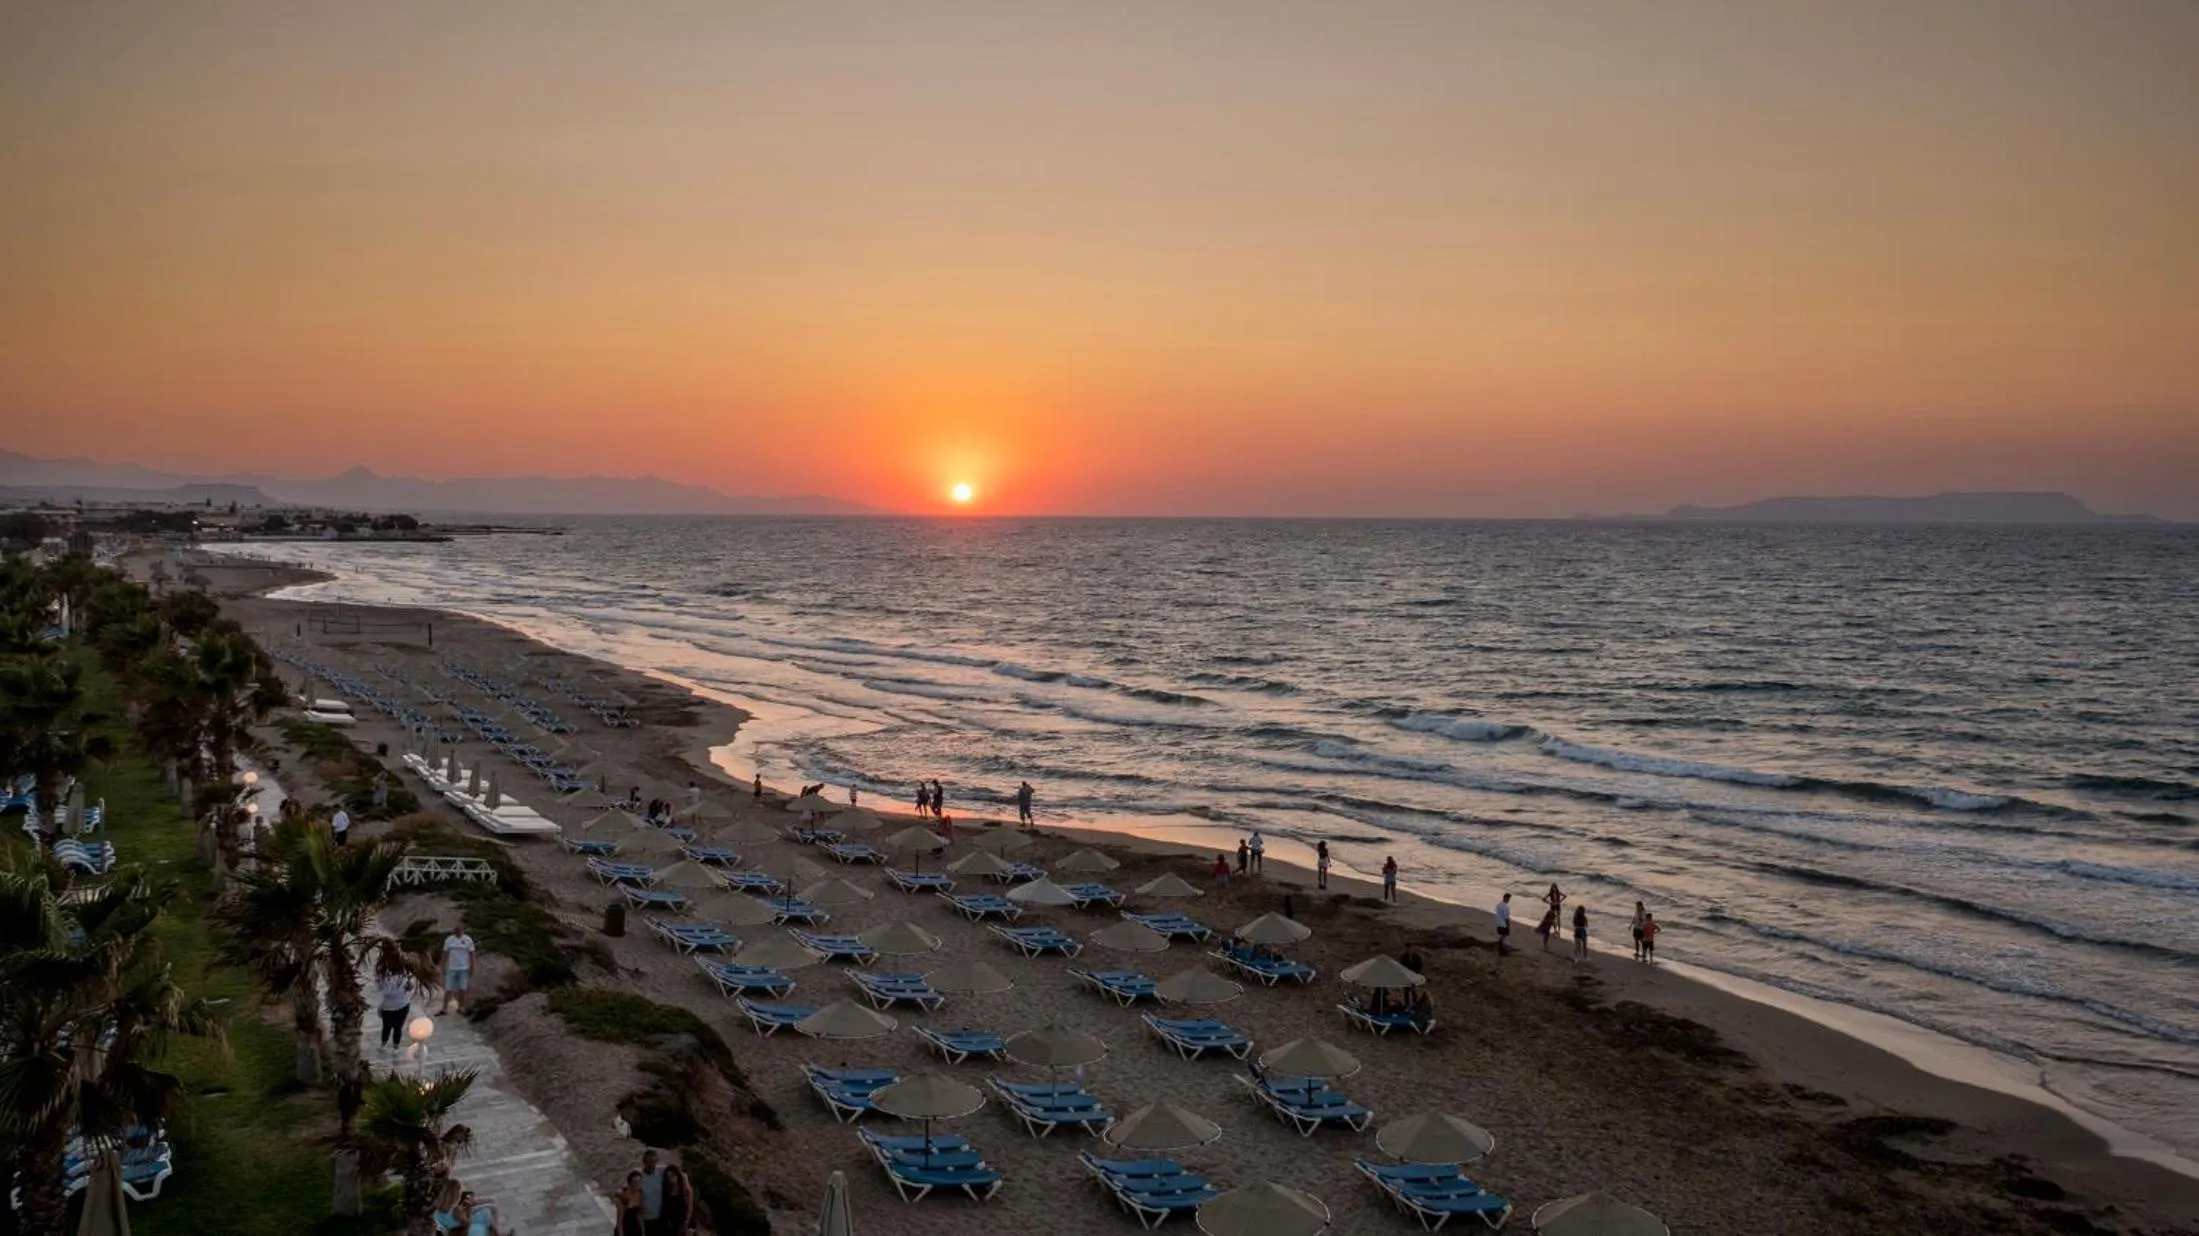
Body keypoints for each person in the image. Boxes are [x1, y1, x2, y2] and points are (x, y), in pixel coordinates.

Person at [439, 925, 477, 1014]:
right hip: (451, 968)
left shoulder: (468, 940)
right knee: (448, 989)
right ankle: (444, 1008)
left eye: (460, 930)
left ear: (463, 930)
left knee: (462, 988)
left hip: (464, 968)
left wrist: (472, 966)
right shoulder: (449, 940)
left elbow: (472, 954)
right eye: (456, 930)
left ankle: (461, 1007)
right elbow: (445, 954)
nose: (458, 931)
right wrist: (442, 966)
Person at [376, 970, 413, 1053]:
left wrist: (408, 982)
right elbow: (385, 991)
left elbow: (410, 987)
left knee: (398, 1027)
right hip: (388, 1007)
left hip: (402, 1005)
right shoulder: (383, 977)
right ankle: (383, 1044)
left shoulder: (404, 975)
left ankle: (396, 1046)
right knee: (386, 1027)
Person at [660, 1164, 696, 1236]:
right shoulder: (668, 1190)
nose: (671, 1178)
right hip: (673, 1223)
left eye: (673, 1175)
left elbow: (690, 1208)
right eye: (669, 1177)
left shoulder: (685, 1189)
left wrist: (686, 1223)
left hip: (685, 1222)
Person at [638, 1149, 667, 1236]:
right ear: (644, 1162)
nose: (651, 1164)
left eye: (653, 1162)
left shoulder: (661, 1173)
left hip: (660, 1218)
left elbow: (678, 1174)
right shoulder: (638, 1176)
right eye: (648, 1162)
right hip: (644, 1220)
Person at [615, 1170, 647, 1236]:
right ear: (630, 1183)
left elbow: (639, 1214)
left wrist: (643, 1231)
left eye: (640, 1181)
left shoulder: (640, 1194)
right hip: (625, 1228)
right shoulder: (623, 1196)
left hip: (635, 1228)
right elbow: (619, 1222)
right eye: (635, 1182)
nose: (638, 1184)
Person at [1494, 892, 1513, 956]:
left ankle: (1500, 949)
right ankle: (1502, 950)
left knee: (1501, 936)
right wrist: (1508, 926)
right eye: (1508, 899)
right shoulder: (1506, 907)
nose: (1508, 900)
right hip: (1504, 924)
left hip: (1498, 922)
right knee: (1504, 937)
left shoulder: (1498, 905)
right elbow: (1506, 918)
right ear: (1505, 898)